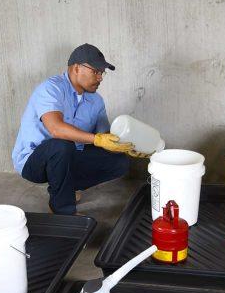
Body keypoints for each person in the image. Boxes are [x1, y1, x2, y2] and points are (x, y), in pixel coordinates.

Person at [12, 43, 146, 215]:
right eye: (95, 71)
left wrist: (127, 146)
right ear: (76, 68)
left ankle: (65, 188)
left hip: (68, 156)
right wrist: (97, 139)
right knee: (61, 145)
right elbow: (56, 129)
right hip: (33, 161)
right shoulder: (51, 89)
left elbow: (104, 137)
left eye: (102, 72)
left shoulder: (96, 101)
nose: (100, 78)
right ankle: (63, 211)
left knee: (119, 162)